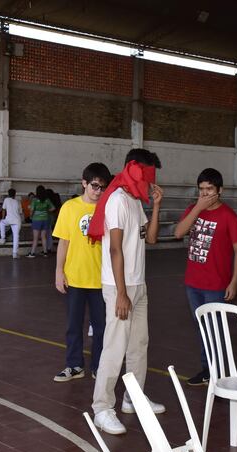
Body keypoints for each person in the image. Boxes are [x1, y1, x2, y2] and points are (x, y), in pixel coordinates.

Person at [89, 148, 165, 435]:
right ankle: (102, 407)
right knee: (114, 346)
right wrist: (121, 293)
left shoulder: (135, 201)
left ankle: (133, 397)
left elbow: (153, 238)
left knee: (138, 346)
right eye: (146, 175)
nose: (149, 182)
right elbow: (114, 248)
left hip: (138, 283)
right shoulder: (117, 200)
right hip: (119, 285)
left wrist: (156, 205)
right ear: (134, 170)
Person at [173, 168, 237, 386]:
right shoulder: (192, 210)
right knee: (201, 327)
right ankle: (208, 369)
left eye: (209, 189)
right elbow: (178, 233)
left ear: (220, 190)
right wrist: (198, 208)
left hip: (216, 283)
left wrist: (234, 281)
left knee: (216, 329)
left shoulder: (229, 216)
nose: (205, 193)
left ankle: (220, 372)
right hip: (193, 282)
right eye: (202, 189)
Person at [52, 162, 112, 382]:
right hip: (75, 277)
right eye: (95, 186)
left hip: (102, 279)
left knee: (101, 327)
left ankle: (99, 366)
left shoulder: (108, 208)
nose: (98, 191)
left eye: (103, 188)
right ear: (84, 183)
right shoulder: (70, 207)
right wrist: (59, 271)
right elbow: (63, 242)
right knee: (73, 325)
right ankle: (74, 365)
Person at [27, 185, 55, 258]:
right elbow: (53, 208)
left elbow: (32, 210)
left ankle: (32, 253)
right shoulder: (47, 200)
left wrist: (31, 216)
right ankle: (45, 252)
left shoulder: (35, 200)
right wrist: (46, 211)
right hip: (45, 219)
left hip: (36, 220)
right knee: (44, 237)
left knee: (36, 237)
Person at [0, 188, 22, 258]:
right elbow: (20, 212)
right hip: (17, 220)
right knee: (16, 237)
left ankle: (3, 238)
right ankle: (15, 253)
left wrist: (3, 218)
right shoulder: (18, 202)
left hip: (9, 219)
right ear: (15, 194)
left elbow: (3, 209)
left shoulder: (6, 200)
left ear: (8, 194)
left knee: (1, 222)